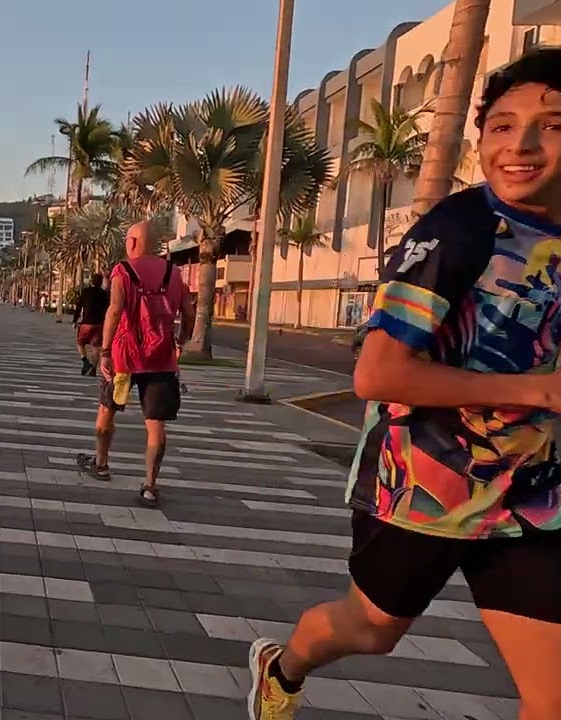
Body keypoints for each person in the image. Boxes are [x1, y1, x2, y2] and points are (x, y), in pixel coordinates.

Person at [247, 48, 561, 720]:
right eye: (502, 126)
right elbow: (378, 373)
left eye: (552, 125)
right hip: (424, 485)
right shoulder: (459, 230)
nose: (521, 145)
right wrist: (539, 391)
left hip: (532, 496)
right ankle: (285, 665)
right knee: (372, 629)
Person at [76, 221, 191, 505]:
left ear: (133, 242)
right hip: (161, 360)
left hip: (123, 360)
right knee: (156, 425)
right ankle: (150, 485)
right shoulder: (174, 273)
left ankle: (101, 464)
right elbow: (189, 313)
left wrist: (105, 352)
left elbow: (115, 310)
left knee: (107, 410)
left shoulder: (123, 270)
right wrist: (180, 342)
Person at [72, 272, 110, 376]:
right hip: (99, 324)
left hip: (86, 323)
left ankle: (85, 362)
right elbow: (108, 309)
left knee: (80, 343)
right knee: (96, 347)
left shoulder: (85, 292)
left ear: (92, 281)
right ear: (100, 282)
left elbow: (79, 307)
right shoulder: (104, 294)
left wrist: (74, 320)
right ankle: (93, 368)